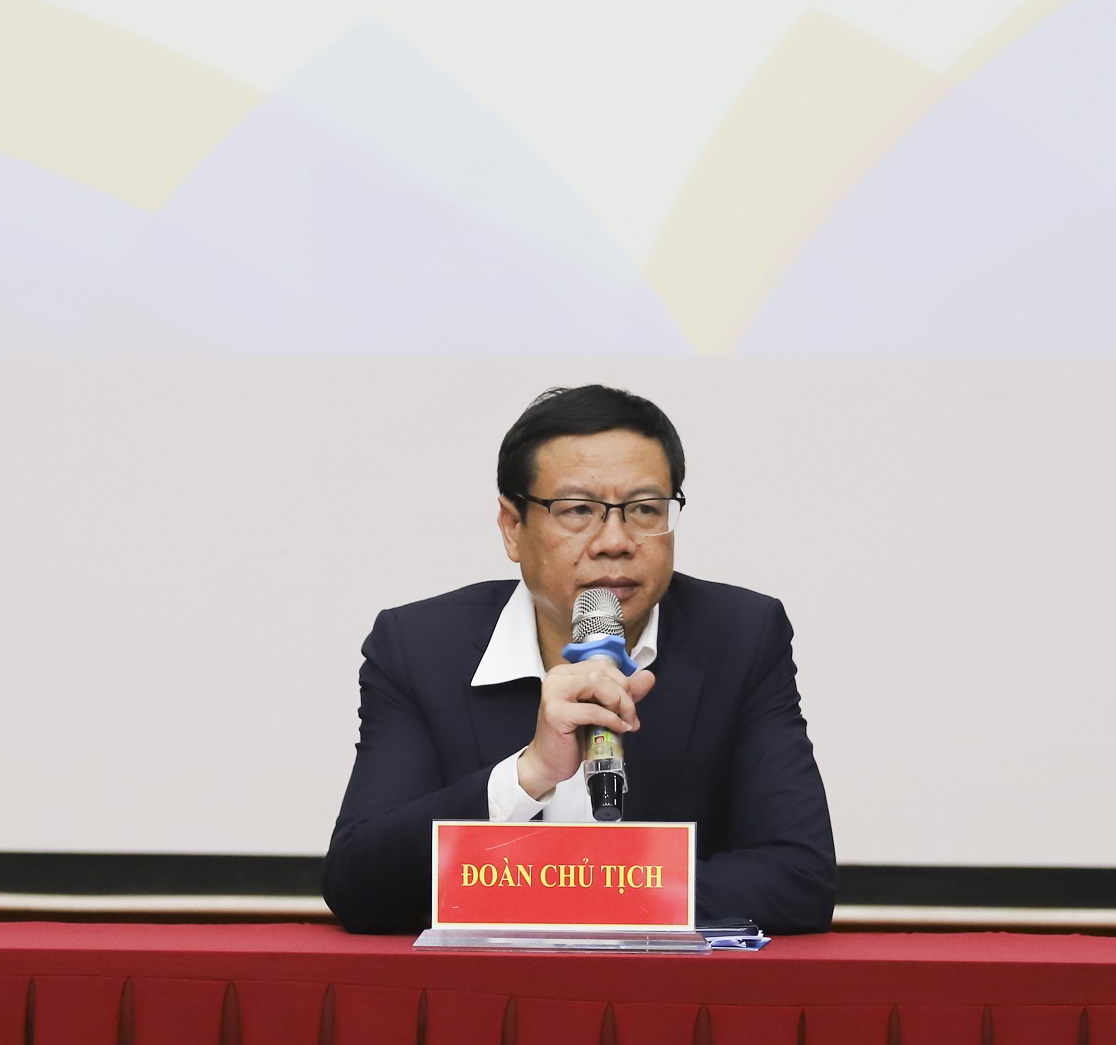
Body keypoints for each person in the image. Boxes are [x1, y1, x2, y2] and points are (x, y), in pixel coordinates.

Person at [323, 385, 836, 935]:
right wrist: (530, 774)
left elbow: (800, 879)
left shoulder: (741, 637)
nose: (615, 541)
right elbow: (359, 882)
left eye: (645, 509)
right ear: (512, 528)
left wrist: (562, 892)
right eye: (578, 511)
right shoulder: (419, 647)